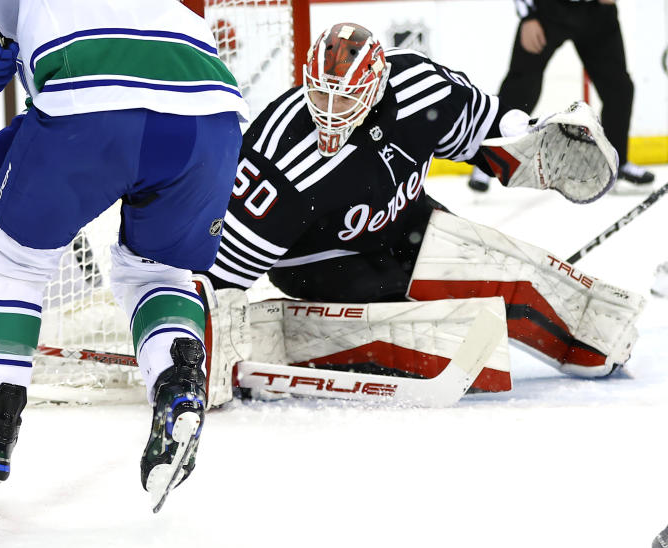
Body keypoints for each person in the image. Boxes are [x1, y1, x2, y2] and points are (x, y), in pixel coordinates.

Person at [0, 0, 247, 514]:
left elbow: (86, 108)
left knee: (13, 263)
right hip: (212, 112)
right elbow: (104, 94)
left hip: (88, 102)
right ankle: (178, 383)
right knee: (156, 273)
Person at [200, 23, 645, 400]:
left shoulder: (420, 86)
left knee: (503, 268)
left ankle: (595, 342)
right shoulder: (279, 156)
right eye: (321, 94)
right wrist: (193, 330)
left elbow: (484, 129)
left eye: (345, 98)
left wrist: (532, 137)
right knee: (448, 331)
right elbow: (225, 264)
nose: (330, 111)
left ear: (376, 85)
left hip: (404, 224)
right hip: (320, 261)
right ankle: (318, 341)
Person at [468, 0, 654, 193]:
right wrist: (528, 15)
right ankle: (488, 160)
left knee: (619, 87)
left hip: (598, 8)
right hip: (549, 8)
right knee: (522, 86)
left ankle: (616, 162)